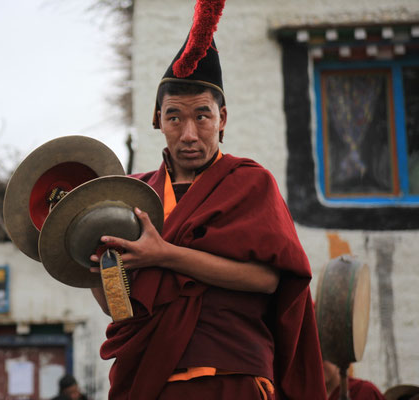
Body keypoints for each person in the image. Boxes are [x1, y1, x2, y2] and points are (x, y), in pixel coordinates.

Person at [88, 1, 326, 398]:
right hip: (153, 381)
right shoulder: (132, 195)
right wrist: (96, 270)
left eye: (202, 115)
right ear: (157, 120)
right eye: (174, 117)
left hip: (232, 377)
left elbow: (267, 280)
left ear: (223, 119)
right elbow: (120, 309)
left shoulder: (248, 183)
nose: (189, 133)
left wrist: (164, 255)